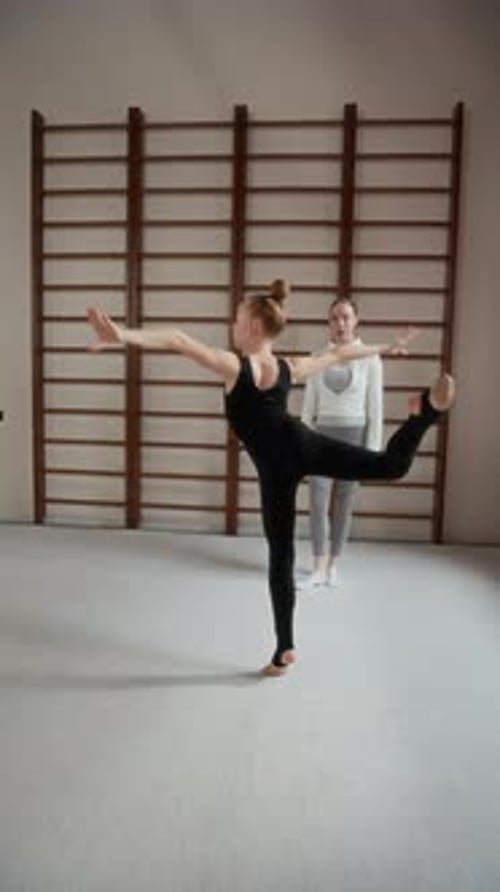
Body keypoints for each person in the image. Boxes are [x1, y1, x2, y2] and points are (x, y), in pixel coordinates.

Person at [86, 279, 455, 677]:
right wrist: (384, 347)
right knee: (392, 467)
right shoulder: (287, 368)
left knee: (281, 559)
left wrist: (122, 334)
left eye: (237, 320)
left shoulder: (234, 367)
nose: (233, 326)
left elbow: (179, 339)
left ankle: (284, 648)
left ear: (255, 329)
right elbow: (343, 353)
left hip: (275, 471)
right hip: (304, 445)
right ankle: (424, 415)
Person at [300, 296, 383, 590]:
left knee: (344, 502)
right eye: (334, 318)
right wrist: (302, 443)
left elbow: (375, 408)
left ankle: (334, 564)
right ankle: (318, 565)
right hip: (320, 436)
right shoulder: (318, 355)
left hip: (355, 436)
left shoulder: (370, 357)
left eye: (346, 317)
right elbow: (308, 405)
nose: (340, 323)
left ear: (356, 321)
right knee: (318, 501)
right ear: (328, 323)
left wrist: (372, 453)